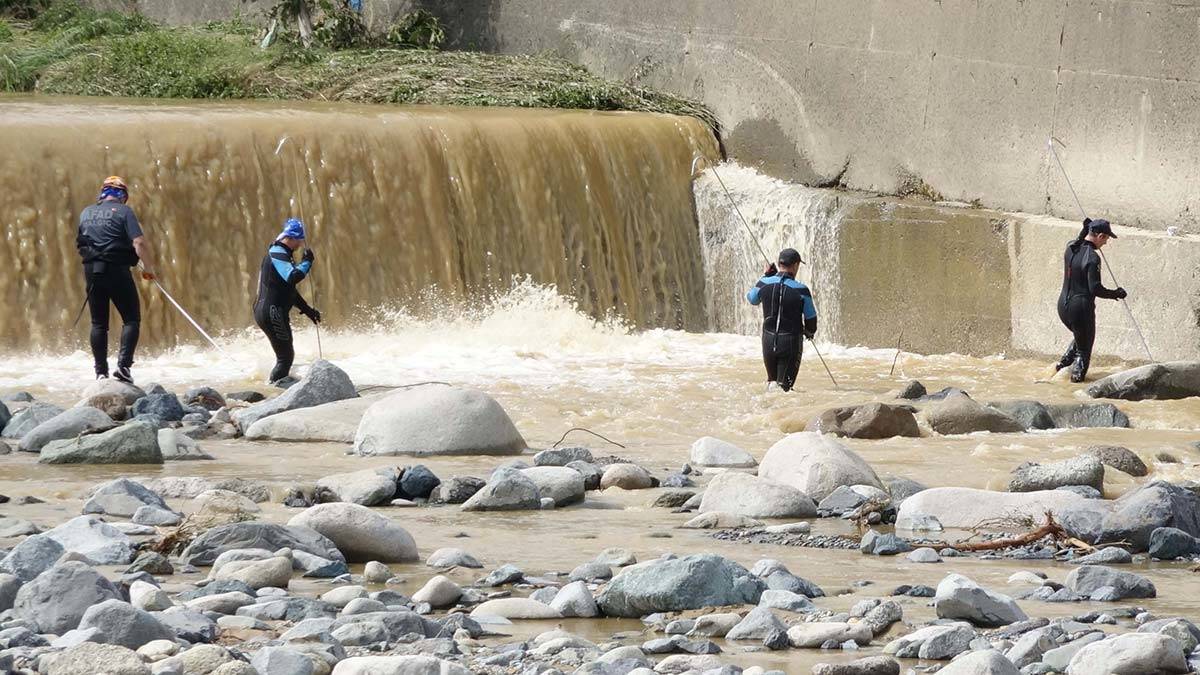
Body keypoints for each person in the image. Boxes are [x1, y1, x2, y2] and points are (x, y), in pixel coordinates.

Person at [76, 176, 157, 383]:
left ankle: (100, 373)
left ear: (102, 193)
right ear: (123, 196)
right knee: (131, 319)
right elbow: (138, 242)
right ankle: (123, 368)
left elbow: (83, 242)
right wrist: (148, 269)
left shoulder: (86, 212)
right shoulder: (124, 212)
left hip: (92, 272)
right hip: (117, 270)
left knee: (98, 323)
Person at [1055, 218, 1127, 383]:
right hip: (1080, 309)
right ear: (1100, 235)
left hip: (1063, 308)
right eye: (1106, 239)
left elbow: (1078, 240)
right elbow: (1095, 288)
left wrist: (1084, 229)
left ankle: (1057, 372)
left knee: (1080, 339)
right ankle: (1075, 386)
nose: (1106, 243)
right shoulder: (1093, 258)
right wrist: (1116, 293)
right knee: (1084, 351)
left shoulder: (1070, 248)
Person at [254, 218, 321, 384]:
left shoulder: (282, 253)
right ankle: (276, 393)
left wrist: (307, 310)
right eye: (299, 240)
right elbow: (293, 277)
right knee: (285, 358)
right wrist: (307, 262)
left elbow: (288, 290)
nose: (300, 244)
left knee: (286, 355)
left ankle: (276, 388)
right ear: (290, 238)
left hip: (270, 311)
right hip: (271, 312)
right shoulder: (278, 253)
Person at [747, 248, 818, 392]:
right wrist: (809, 332)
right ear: (796, 265)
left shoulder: (764, 283)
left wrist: (765, 276)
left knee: (771, 384)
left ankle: (765, 413)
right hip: (790, 343)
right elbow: (811, 319)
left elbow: (752, 299)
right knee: (785, 389)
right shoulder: (801, 290)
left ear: (779, 264)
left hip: (768, 341)